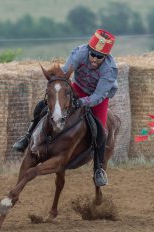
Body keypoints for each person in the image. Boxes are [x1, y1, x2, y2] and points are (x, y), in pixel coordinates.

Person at [12, 29, 117, 186]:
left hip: (98, 97)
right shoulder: (80, 53)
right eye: (93, 54)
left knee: (101, 131)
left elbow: (97, 96)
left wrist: (82, 103)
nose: (94, 58)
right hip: (78, 87)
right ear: (88, 50)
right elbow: (64, 74)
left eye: (99, 57)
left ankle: (98, 169)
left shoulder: (109, 70)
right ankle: (27, 137)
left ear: (106, 57)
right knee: (43, 105)